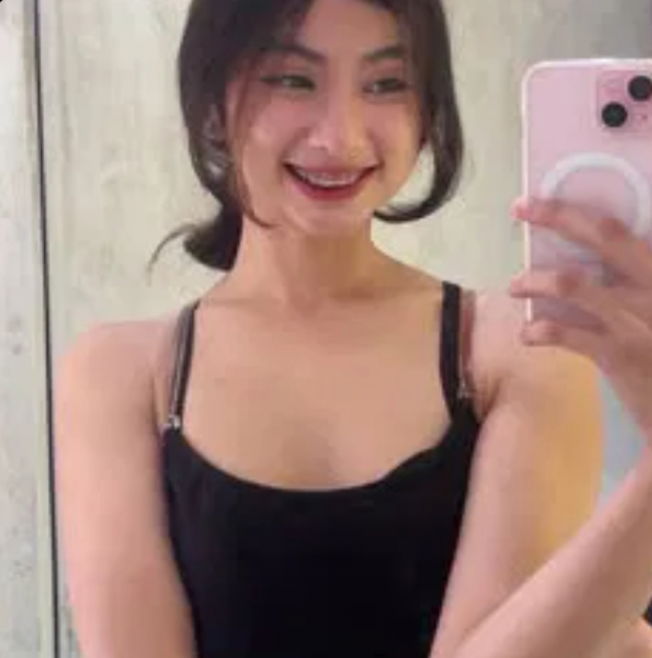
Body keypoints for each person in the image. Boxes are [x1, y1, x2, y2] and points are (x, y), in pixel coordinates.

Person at [53, 0, 652, 657]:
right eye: (293, 79)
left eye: (386, 84)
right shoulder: (123, 374)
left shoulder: (517, 353)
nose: (340, 137)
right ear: (211, 105)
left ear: (427, 114)